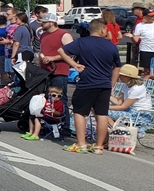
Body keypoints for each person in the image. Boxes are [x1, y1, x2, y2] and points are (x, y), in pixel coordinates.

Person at [57, 18, 120, 154]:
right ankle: (98, 146)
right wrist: (112, 84)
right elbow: (117, 67)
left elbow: (61, 51)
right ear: (102, 30)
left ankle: (81, 144)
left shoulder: (81, 42)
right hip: (104, 84)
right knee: (102, 114)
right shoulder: (111, 46)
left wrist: (74, 65)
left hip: (87, 82)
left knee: (80, 112)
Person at [38, 12, 73, 133]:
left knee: (60, 99)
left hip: (59, 71)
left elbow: (70, 53)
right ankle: (49, 124)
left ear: (52, 22)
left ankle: (65, 126)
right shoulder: (43, 35)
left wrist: (52, 58)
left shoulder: (64, 35)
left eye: (44, 22)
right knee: (47, 100)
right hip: (45, 72)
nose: (42, 24)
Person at [123, 10, 154, 77]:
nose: (153, 17)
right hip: (145, 50)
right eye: (151, 16)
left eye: (153, 16)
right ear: (145, 17)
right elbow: (136, 40)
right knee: (147, 71)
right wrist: (132, 37)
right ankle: (147, 84)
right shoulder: (140, 26)